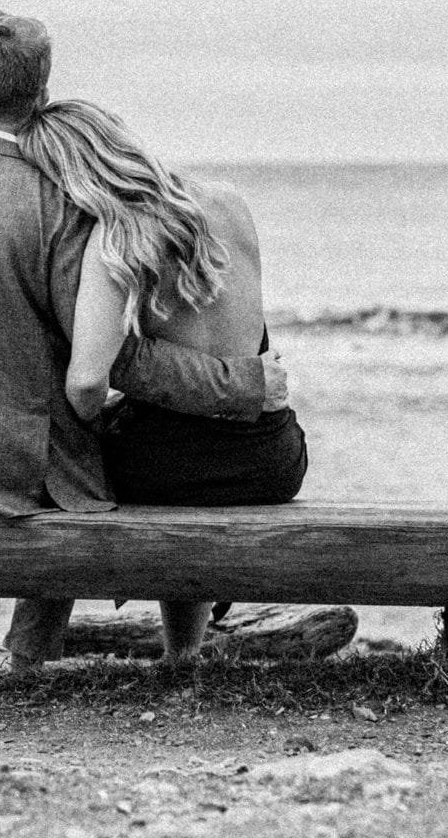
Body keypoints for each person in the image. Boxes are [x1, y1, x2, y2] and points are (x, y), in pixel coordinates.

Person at [0, 9, 288, 672]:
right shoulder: (67, 200)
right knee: (75, 448)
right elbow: (108, 357)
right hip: (24, 459)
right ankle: (28, 656)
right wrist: (242, 385)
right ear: (40, 95)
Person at [17, 97, 308, 662]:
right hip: (272, 461)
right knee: (181, 441)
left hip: (168, 470)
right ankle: (183, 654)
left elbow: (84, 381)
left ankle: (30, 655)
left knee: (74, 462)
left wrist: (93, 421)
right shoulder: (228, 202)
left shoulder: (115, 238)